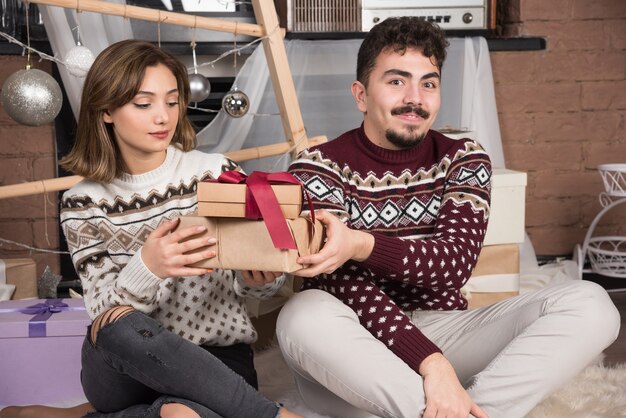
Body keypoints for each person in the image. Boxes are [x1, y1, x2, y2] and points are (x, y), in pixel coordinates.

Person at [275, 17, 621, 418]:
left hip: (447, 330)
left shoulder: (464, 158)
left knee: (591, 304)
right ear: (361, 94)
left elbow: (452, 266)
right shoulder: (318, 166)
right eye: (396, 81)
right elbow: (342, 283)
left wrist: (359, 243)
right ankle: (444, 403)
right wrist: (431, 363)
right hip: (352, 350)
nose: (415, 98)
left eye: (429, 83)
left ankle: (471, 410)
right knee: (303, 314)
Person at [1, 40, 302, 418]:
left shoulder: (214, 173)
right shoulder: (83, 202)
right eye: (144, 104)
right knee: (119, 328)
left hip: (216, 363)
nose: (163, 117)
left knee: (182, 416)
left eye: (172, 102)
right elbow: (104, 318)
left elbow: (259, 278)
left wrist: (259, 278)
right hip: (122, 367)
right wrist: (148, 266)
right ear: (106, 109)